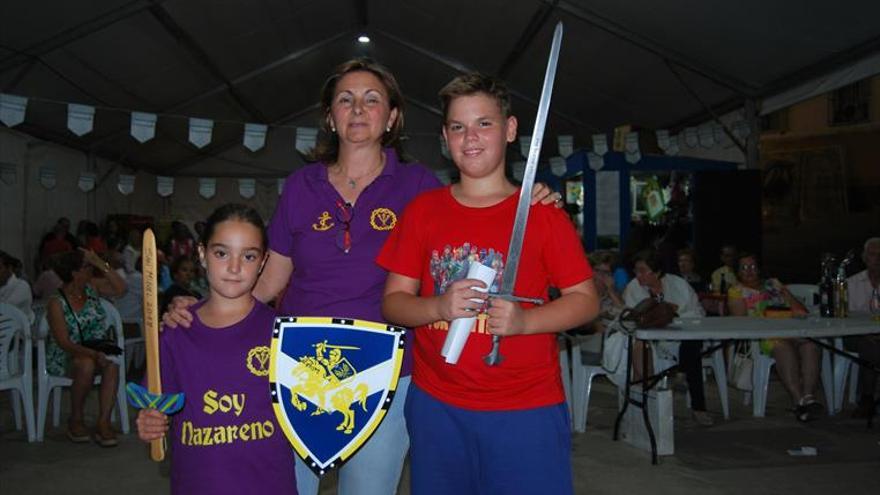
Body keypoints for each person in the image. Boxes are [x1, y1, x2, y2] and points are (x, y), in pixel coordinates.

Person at [163, 58, 561, 495]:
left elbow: (480, 210)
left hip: (387, 372)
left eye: (372, 100)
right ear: (330, 117)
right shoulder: (300, 186)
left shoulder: (419, 185)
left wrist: (534, 199)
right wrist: (204, 312)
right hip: (299, 368)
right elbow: (268, 283)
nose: (357, 109)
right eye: (345, 100)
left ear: (391, 116)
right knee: (285, 487)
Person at [378, 72, 598, 495]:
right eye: (458, 127)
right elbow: (393, 303)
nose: (470, 137)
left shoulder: (542, 214)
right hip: (436, 405)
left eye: (484, 123)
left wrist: (524, 323)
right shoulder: (423, 211)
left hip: (525, 407)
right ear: (445, 136)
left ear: (510, 129)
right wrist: (438, 307)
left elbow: (585, 302)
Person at [135, 204, 296, 495]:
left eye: (248, 256)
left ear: (263, 262)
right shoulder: (176, 331)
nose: (234, 268)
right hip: (197, 485)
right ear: (202, 254)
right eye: (221, 253)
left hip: (270, 486)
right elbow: (157, 406)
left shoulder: (285, 334)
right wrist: (151, 423)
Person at [45, 248, 126, 445]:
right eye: (87, 266)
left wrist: (99, 262)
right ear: (74, 273)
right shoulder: (56, 302)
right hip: (67, 353)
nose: (91, 270)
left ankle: (103, 422)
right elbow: (64, 342)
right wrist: (92, 354)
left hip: (97, 347)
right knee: (86, 364)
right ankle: (76, 418)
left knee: (112, 364)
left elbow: (121, 288)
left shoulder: (92, 288)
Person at [623, 249, 714, 426]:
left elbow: (697, 313)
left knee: (692, 343)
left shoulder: (678, 284)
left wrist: (674, 313)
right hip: (651, 340)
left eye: (642, 270)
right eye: (636, 270)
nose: (637, 274)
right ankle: (661, 397)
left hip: (680, 337)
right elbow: (632, 319)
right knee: (685, 352)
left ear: (657, 272)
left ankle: (695, 400)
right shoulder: (634, 287)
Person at [726, 253, 817, 421]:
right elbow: (741, 322)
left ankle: (809, 396)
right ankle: (799, 401)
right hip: (761, 336)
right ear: (737, 272)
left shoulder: (772, 285)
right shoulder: (736, 291)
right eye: (744, 267)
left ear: (759, 268)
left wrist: (783, 291)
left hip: (788, 330)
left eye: (752, 266)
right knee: (782, 347)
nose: (749, 271)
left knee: (810, 344)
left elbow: (802, 312)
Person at [846, 237, 880, 417]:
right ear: (864, 257)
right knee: (870, 347)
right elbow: (843, 317)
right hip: (857, 335)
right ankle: (866, 398)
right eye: (873, 254)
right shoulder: (852, 284)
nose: (877, 259)